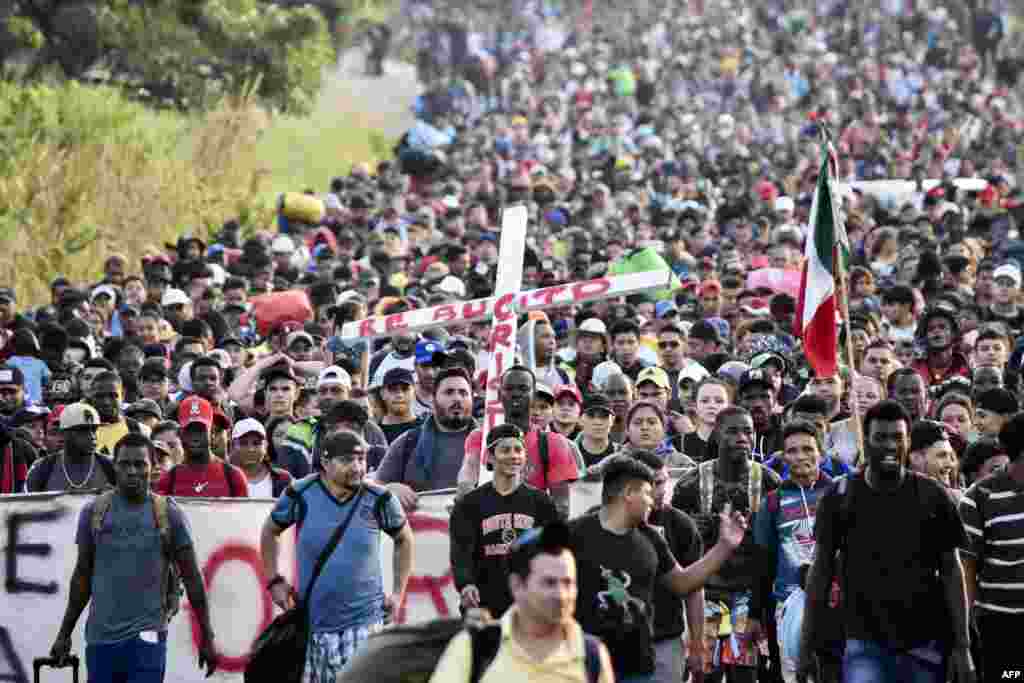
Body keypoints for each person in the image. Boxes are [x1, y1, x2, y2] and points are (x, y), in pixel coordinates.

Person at [799, 400, 974, 683]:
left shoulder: (933, 496)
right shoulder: (840, 496)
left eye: (898, 437)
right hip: (863, 642)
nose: (890, 445)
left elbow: (952, 572)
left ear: (908, 442)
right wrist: (807, 645)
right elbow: (820, 573)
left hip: (926, 641)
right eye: (881, 437)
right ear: (866, 441)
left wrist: (962, 646)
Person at [49, 432, 217, 682]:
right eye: (124, 464)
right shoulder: (94, 513)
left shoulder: (169, 514)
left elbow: (193, 578)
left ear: (153, 468)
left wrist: (207, 636)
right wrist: (64, 633)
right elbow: (82, 578)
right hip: (101, 640)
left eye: (140, 464)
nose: (132, 471)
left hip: (147, 638)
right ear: (114, 466)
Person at [569, 454, 749, 683]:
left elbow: (683, 583)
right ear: (628, 494)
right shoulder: (575, 534)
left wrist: (724, 547)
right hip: (588, 660)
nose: (652, 500)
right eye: (647, 492)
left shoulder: (651, 538)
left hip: (640, 664)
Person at [261, 430, 414, 683]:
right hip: (313, 628)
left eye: (361, 459)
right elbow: (270, 531)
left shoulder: (379, 498)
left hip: (365, 624)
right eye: (347, 460)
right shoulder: (301, 493)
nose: (357, 467)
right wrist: (274, 580)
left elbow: (404, 539)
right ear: (325, 462)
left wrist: (398, 593)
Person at [671, 407, 782, 682]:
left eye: (748, 431)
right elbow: (672, 547)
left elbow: (779, 546)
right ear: (717, 434)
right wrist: (694, 531)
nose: (742, 438)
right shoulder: (691, 484)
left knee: (744, 674)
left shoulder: (769, 482)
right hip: (706, 594)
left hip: (749, 595)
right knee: (706, 673)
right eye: (733, 431)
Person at [429, 520, 615, 683]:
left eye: (568, 583)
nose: (561, 594)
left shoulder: (592, 655)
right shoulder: (474, 648)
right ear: (517, 585)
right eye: (549, 583)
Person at [449, 423, 559, 619]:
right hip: (483, 606)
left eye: (518, 449)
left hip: (529, 606)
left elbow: (550, 552)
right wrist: (466, 585)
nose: (513, 455)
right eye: (505, 450)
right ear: (490, 456)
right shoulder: (469, 504)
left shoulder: (542, 503)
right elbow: (461, 553)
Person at [754, 420, 833, 683]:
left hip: (838, 601)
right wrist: (756, 615)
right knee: (797, 676)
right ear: (783, 457)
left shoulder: (839, 493)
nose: (800, 457)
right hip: (789, 604)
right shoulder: (773, 502)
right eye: (792, 451)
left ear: (821, 452)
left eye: (808, 449)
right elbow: (763, 562)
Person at [458, 366, 580, 518]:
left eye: (523, 388)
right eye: (509, 388)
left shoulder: (554, 443)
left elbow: (562, 507)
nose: (516, 394)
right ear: (499, 394)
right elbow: (469, 467)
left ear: (533, 394)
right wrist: (465, 488)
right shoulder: (480, 438)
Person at [959, 411, 1024, 683]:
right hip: (1003, 627)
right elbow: (967, 569)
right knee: (1011, 678)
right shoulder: (978, 498)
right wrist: (966, 630)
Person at [630, 449, 705, 683]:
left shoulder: (681, 524)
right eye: (653, 483)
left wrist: (696, 643)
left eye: (663, 481)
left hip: (666, 640)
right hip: (617, 641)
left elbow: (694, 588)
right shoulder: (601, 522)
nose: (661, 490)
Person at [375, 367, 476, 506]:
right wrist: (390, 489)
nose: (457, 398)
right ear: (433, 399)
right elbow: (375, 489)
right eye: (449, 392)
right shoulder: (408, 442)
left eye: (463, 393)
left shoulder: (490, 444)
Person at [155, 396, 249, 498]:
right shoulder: (168, 479)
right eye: (189, 430)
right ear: (181, 434)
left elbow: (242, 513)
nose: (195, 437)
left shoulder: (233, 476)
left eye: (200, 430)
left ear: (211, 432)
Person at [26, 402, 117, 492]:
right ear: (64, 434)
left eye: (94, 430)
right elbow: (29, 504)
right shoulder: (42, 468)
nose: (92, 436)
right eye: (83, 430)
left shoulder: (110, 466)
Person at [230, 418, 293, 498]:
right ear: (232, 446)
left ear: (266, 445)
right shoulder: (224, 479)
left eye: (256, 443)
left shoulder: (283, 479)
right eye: (243, 443)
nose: (251, 449)